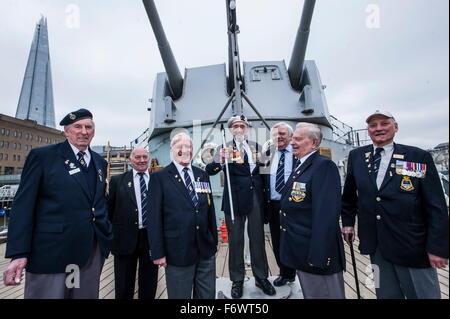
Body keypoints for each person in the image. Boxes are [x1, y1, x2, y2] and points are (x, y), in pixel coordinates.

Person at [3, 108, 112, 299]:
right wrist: (19, 252)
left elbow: (97, 201)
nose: (84, 132)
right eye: (77, 127)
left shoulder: (99, 162)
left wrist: (106, 232)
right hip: (52, 252)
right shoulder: (43, 157)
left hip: (89, 251)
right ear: (66, 131)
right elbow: (23, 206)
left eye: (88, 127)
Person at [341, 110, 449, 299]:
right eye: (373, 125)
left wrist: (438, 247)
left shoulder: (417, 157)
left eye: (384, 123)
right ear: (368, 131)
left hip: (412, 244)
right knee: (385, 293)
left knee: (424, 295)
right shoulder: (357, 156)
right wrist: (348, 223)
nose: (378, 128)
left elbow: (435, 206)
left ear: (396, 127)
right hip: (376, 245)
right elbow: (349, 196)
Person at [206, 115, 275, 298]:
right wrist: (220, 161)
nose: (239, 129)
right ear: (231, 129)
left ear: (246, 129)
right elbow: (210, 170)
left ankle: (261, 277)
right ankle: (237, 280)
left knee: (258, 238)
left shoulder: (256, 147)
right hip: (234, 199)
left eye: (242, 126)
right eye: (235, 126)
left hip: (255, 198)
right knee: (236, 241)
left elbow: (263, 173)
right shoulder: (224, 148)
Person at [279, 122, 346, 299]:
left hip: (315, 254)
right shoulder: (302, 165)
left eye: (298, 139)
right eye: (293, 138)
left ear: (314, 143)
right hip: (302, 249)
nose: (292, 142)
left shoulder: (323, 166)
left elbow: (326, 215)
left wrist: (318, 255)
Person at [147, 132, 218, 299]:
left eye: (189, 147)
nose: (185, 150)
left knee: (207, 296)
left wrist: (213, 241)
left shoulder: (202, 175)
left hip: (205, 250)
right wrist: (158, 252)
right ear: (172, 149)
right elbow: (154, 218)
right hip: (177, 252)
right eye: (180, 147)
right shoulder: (159, 178)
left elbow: (209, 210)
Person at [108, 147, 159, 299]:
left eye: (145, 157)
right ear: (131, 160)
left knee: (149, 283)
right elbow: (109, 210)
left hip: (151, 239)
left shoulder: (158, 180)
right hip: (124, 239)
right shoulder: (117, 181)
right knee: (123, 284)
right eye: (138, 157)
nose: (142, 160)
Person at [262, 122, 297, 286]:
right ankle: (286, 273)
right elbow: (261, 179)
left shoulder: (299, 153)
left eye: (282, 133)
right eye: (275, 134)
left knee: (297, 239)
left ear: (291, 136)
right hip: (275, 206)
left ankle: (303, 272)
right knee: (278, 242)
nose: (279, 137)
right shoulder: (267, 154)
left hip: (295, 206)